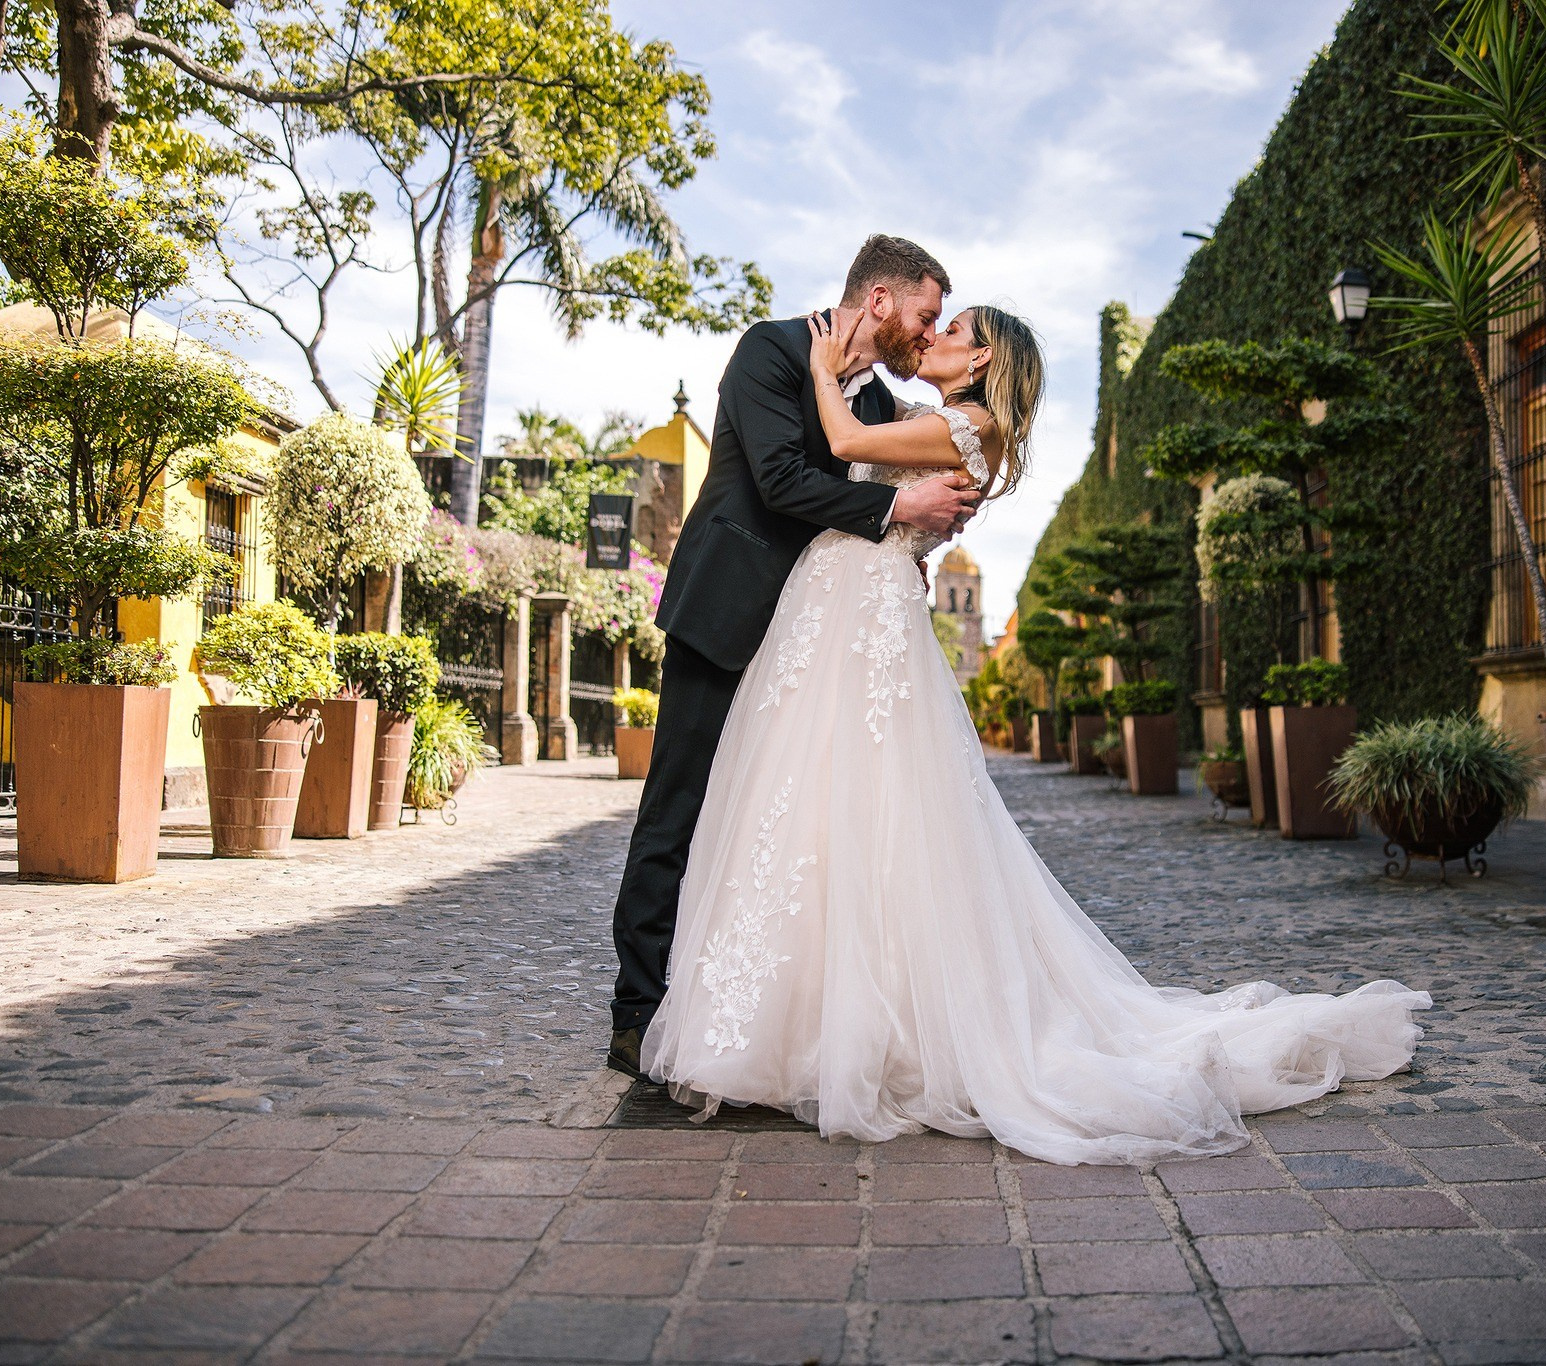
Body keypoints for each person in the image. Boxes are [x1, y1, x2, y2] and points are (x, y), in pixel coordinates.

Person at [636, 295, 1432, 1165]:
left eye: (951, 327)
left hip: (859, 620)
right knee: (817, 811)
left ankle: (847, 1027)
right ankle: (798, 1012)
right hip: (831, 616)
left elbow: (845, 450)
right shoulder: (939, 418)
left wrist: (827, 376)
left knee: (860, 808)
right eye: (931, 318)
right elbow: (871, 463)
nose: (934, 334)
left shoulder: (953, 426)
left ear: (979, 361)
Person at [609, 235, 981, 1077]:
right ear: (878, 301)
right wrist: (896, 513)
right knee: (681, 809)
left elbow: (885, 488)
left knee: (790, 825)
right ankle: (637, 1010)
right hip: (728, 612)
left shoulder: (885, 412)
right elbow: (777, 480)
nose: (927, 337)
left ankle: (756, 1015)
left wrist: (911, 537)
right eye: (923, 316)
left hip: (819, 648)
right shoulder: (769, 350)